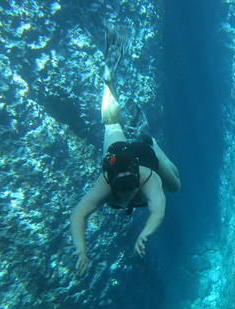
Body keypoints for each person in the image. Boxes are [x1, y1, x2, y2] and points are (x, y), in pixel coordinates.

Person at [70, 24, 181, 275]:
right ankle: (108, 81)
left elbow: (158, 211)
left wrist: (145, 233)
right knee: (110, 121)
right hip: (119, 153)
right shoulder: (106, 184)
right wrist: (81, 250)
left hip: (143, 156)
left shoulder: (146, 178)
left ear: (136, 176)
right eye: (121, 187)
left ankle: (153, 143)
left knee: (175, 185)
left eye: (130, 184)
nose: (127, 192)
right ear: (109, 179)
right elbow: (78, 216)